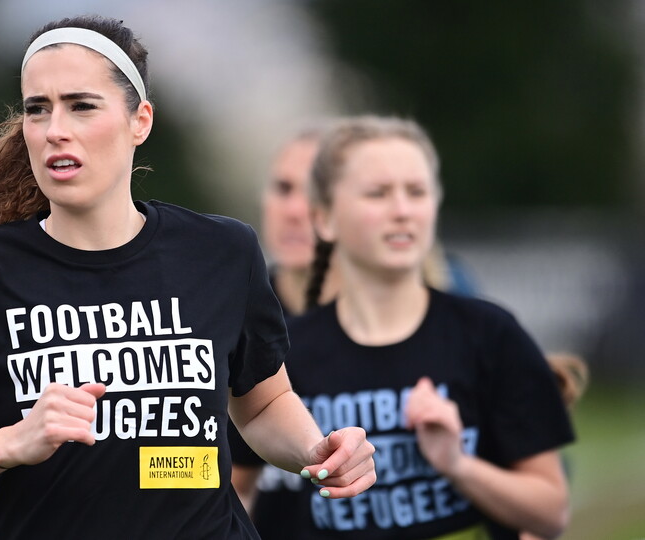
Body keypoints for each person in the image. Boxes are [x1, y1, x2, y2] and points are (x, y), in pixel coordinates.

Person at [0, 15, 376, 540]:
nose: (55, 129)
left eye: (81, 105)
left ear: (140, 121)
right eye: (38, 109)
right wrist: (9, 443)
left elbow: (263, 404)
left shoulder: (222, 251)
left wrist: (318, 450)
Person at [242, 115, 575, 540]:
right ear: (323, 219)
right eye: (378, 194)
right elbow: (232, 497)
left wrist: (456, 464)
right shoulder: (284, 352)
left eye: (416, 192)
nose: (401, 210)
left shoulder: (489, 333)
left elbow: (550, 515)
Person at [230, 121, 477, 517]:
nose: (296, 211)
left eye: (311, 192)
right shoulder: (232, 309)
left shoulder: (448, 309)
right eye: (283, 189)